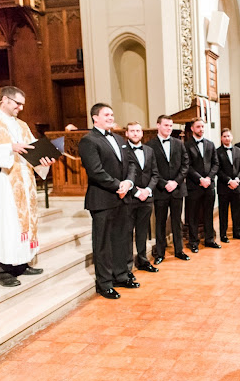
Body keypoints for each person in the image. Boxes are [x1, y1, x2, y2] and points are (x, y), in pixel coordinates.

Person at [0, 86, 54, 287]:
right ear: (4, 101)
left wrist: (43, 160)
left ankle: (21, 263)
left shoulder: (22, 125)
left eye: (22, 104)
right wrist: (9, 148)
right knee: (5, 223)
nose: (21, 108)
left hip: (24, 180)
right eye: (17, 103)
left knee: (22, 224)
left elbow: (33, 150)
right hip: (4, 181)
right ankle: (2, 269)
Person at [79, 103, 138, 299]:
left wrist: (128, 182)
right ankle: (104, 283)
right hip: (103, 199)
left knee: (121, 239)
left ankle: (121, 275)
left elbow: (131, 163)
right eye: (106, 115)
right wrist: (117, 186)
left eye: (112, 114)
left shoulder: (120, 138)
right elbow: (95, 171)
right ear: (95, 118)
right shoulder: (88, 141)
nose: (111, 117)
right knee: (103, 243)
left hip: (122, 197)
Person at [146, 115, 190, 263]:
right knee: (160, 222)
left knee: (177, 221)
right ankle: (160, 253)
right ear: (158, 125)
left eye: (171, 126)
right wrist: (164, 183)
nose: (169, 128)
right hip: (160, 190)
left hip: (177, 189)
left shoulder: (179, 143)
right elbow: (151, 169)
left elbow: (185, 165)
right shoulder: (150, 145)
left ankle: (179, 250)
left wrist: (176, 182)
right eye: (166, 125)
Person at [124, 122, 159, 274]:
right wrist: (136, 192)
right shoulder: (122, 151)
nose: (135, 133)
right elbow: (122, 175)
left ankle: (143, 260)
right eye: (132, 131)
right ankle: (127, 266)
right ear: (127, 133)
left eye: (138, 131)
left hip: (147, 197)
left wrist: (148, 190)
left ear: (142, 133)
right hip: (130, 198)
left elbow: (155, 174)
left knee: (142, 231)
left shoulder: (149, 150)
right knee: (127, 232)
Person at [185, 117, 221, 253]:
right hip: (194, 186)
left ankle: (209, 239)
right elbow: (187, 166)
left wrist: (209, 178)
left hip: (209, 185)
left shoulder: (210, 144)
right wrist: (200, 179)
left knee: (208, 213)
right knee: (193, 215)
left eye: (202, 126)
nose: (201, 129)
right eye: (198, 127)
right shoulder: (187, 145)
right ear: (192, 128)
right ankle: (193, 242)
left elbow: (215, 163)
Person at [217, 128, 240, 243]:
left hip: (237, 186)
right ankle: (223, 234)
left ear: (232, 137)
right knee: (223, 212)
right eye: (224, 136)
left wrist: (237, 179)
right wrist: (229, 181)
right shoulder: (217, 152)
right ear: (221, 138)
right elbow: (218, 170)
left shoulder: (238, 151)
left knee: (237, 211)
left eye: (228, 136)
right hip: (224, 187)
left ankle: (237, 232)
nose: (227, 138)